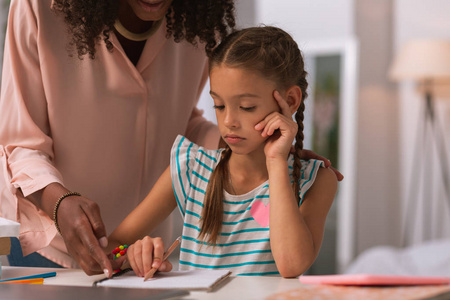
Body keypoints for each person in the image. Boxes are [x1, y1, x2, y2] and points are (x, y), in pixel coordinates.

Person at [0, 0, 236, 277]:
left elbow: (180, 123)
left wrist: (246, 144)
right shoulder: (38, 7)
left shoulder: (200, 17)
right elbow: (21, 143)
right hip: (50, 248)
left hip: (143, 255)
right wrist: (58, 203)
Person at [108, 26, 338, 277]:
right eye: (218, 105)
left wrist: (276, 162)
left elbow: (291, 265)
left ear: (291, 101)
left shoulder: (315, 181)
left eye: (247, 107)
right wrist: (134, 252)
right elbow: (112, 249)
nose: (229, 120)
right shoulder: (190, 168)